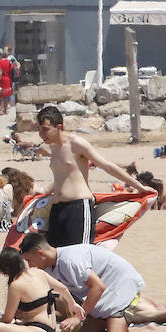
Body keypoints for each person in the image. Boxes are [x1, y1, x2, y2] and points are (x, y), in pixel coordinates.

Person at [19, 234, 166, 332]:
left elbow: (98, 287)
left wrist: (78, 318)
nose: (29, 265)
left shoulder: (70, 261)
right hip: (106, 296)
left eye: (29, 260)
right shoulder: (50, 266)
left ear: (40, 253)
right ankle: (148, 329)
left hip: (122, 288)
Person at [36, 105, 153, 247]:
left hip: (78, 208)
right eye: (39, 129)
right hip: (57, 209)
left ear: (59, 127)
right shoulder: (53, 147)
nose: (41, 134)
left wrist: (139, 186)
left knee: (79, 257)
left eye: (45, 129)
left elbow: (107, 166)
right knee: (55, 258)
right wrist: (44, 192)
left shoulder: (76, 144)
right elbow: (62, 176)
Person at [0, 247, 74, 332]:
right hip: (48, 331)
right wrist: (73, 305)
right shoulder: (38, 272)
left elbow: (7, 319)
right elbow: (63, 289)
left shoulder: (16, 284)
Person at [0, 46, 15, 113]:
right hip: (8, 80)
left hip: (2, 80)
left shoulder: (1, 63)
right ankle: (5, 110)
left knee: (1, 96)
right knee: (6, 96)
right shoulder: (8, 62)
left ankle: (1, 109)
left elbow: (0, 73)